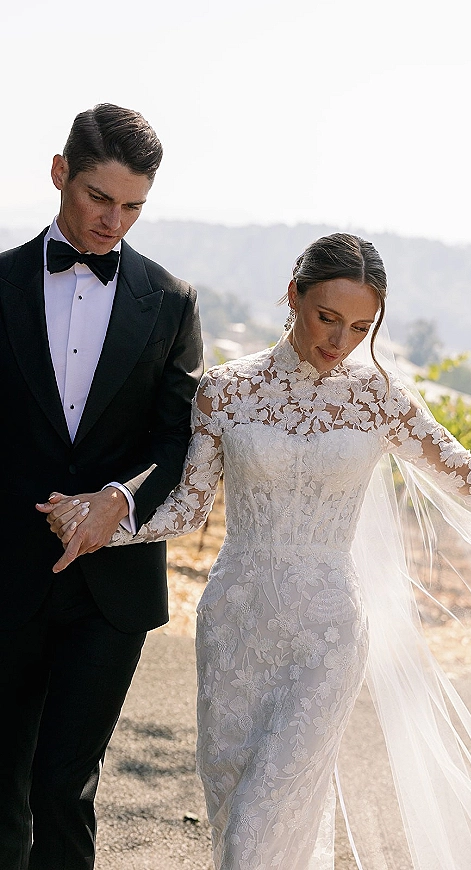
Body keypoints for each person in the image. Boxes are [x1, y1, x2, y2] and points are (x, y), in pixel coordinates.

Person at [48, 233, 471, 869]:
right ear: (293, 295)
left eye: (360, 327)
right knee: (237, 823)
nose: (340, 341)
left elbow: (466, 475)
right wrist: (106, 525)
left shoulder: (377, 400)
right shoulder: (224, 391)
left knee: (256, 826)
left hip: (326, 636)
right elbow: (188, 509)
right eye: (328, 317)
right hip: (234, 629)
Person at [0, 103, 203, 870]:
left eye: (132, 206)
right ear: (60, 174)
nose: (112, 221)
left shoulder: (172, 300)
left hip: (111, 587)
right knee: (2, 793)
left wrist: (115, 502)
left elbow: (177, 438)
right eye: (98, 198)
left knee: (64, 788)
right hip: (6, 573)